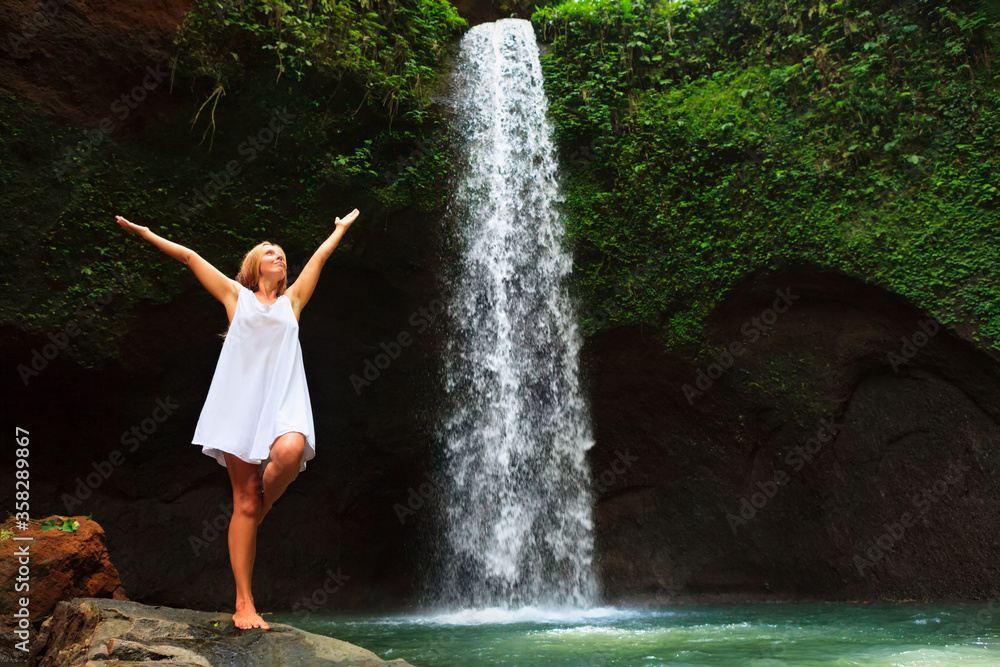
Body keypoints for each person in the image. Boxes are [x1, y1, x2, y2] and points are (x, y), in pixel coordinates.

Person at [114, 209, 359, 630]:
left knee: (291, 450)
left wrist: (337, 231)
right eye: (270, 252)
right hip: (240, 404)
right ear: (254, 265)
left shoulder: (293, 301)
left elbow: (318, 259)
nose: (279, 255)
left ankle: (261, 505)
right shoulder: (236, 297)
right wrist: (148, 233)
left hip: (284, 401)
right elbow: (191, 258)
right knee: (243, 498)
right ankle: (244, 603)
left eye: (281, 253)